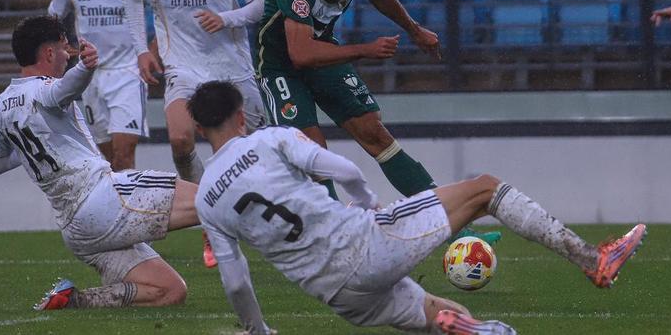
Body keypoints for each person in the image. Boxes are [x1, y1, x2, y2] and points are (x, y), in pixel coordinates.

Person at [190, 80, 647, 334]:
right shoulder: (268, 139)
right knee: (485, 189)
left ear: (200, 128)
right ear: (240, 114)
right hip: (363, 246)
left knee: (443, 314)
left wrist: (258, 331)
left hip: (334, 293)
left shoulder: (207, 195)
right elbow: (343, 169)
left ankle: (473, 329)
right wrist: (368, 207)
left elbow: (235, 281)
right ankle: (594, 259)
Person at [253, 0, 498, 242]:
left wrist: (414, 29)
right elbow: (299, 54)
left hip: (323, 55)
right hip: (281, 69)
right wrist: (366, 50)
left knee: (374, 131)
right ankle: (333, 234)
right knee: (312, 150)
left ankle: (447, 223)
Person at [0, 15, 200, 310]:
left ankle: (75, 301)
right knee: (212, 199)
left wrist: (33, 146)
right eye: (64, 48)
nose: (67, 55)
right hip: (100, 198)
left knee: (171, 291)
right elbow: (61, 91)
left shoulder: (1, 106)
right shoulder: (43, 88)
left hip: (76, 230)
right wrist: (87, 67)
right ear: (48, 53)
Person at [124, 0, 269, 266]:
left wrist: (227, 18)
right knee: (179, 139)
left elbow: (262, 0)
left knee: (257, 151)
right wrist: (142, 50)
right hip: (182, 67)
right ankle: (211, 218)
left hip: (231, 68)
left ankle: (281, 220)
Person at [48, 0, 148, 171]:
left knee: (125, 157)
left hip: (128, 74)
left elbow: (165, 13)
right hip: (91, 77)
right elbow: (52, 21)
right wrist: (64, 48)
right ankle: (118, 208)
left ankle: (131, 211)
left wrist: (153, 50)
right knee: (110, 162)